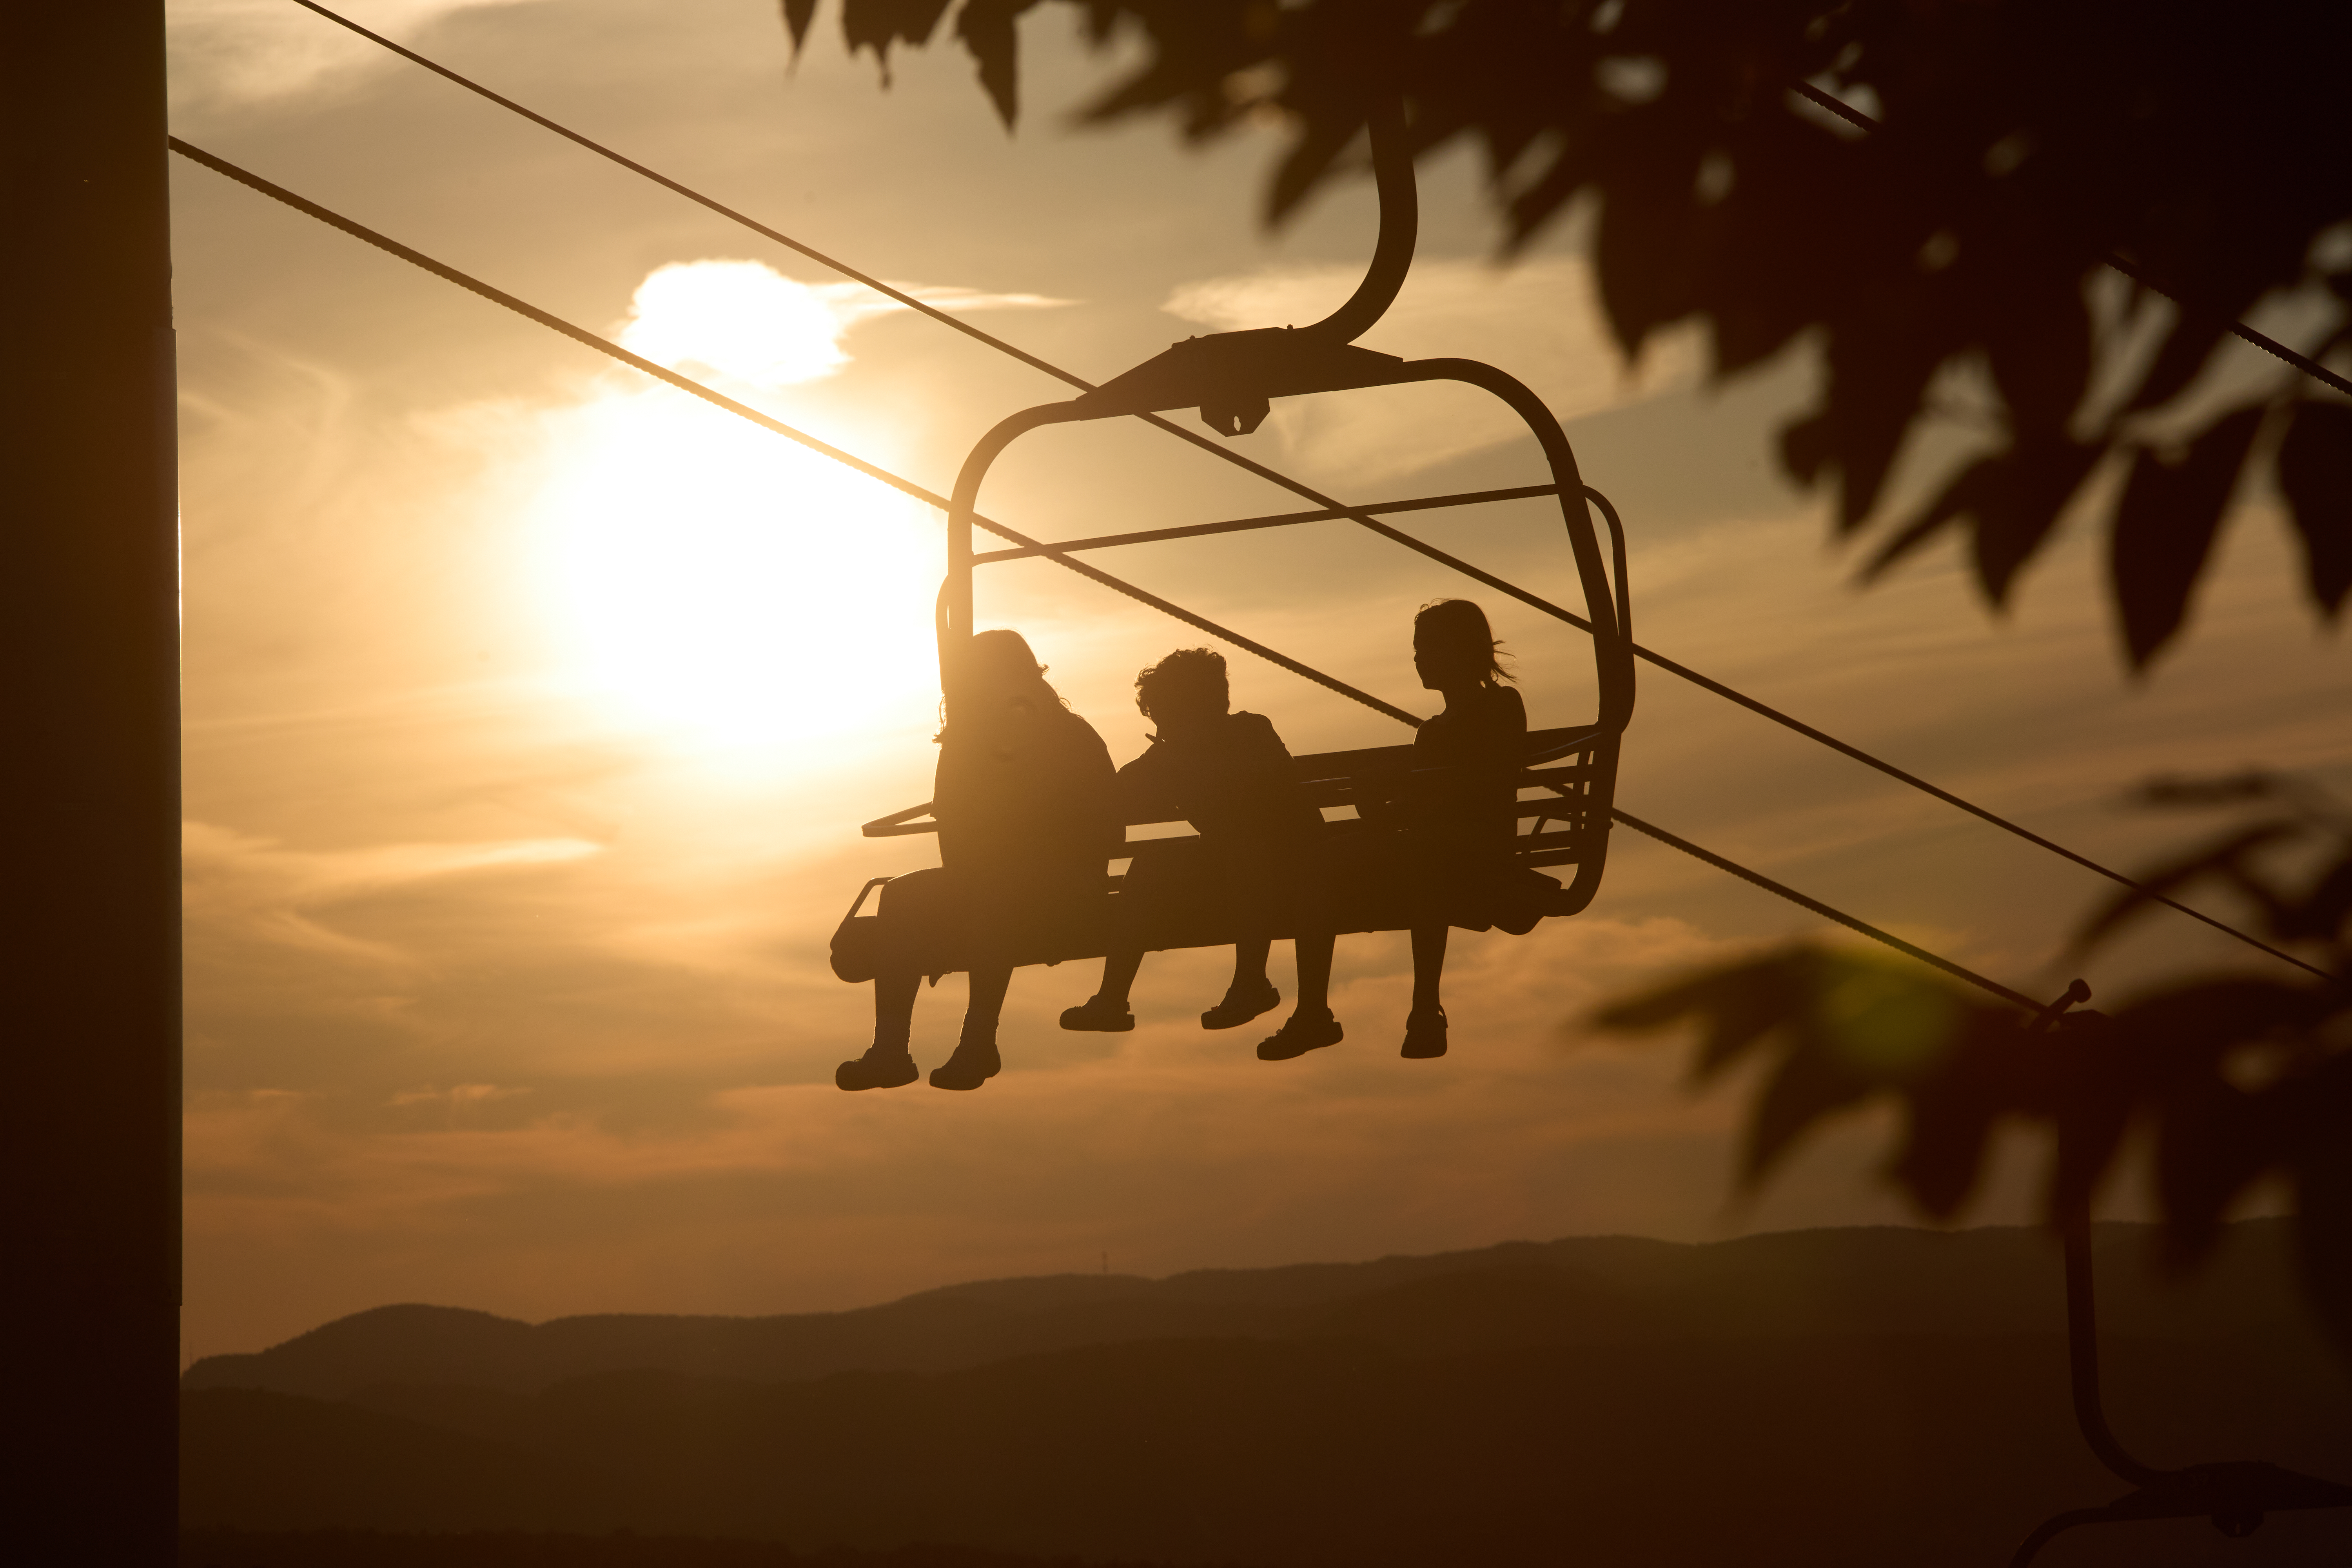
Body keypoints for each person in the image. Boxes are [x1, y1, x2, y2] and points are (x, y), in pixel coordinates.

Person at [835, 630, 1118, 1092]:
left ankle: (979, 1040)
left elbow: (1101, 826)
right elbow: (955, 828)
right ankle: (890, 1048)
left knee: (995, 893)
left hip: (1065, 882)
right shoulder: (967, 743)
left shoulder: (1068, 736)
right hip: (995, 878)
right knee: (902, 894)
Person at [1057, 648, 1342, 1061]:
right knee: (1150, 867)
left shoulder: (1250, 730)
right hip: (1231, 865)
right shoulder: (1173, 755)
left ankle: (1252, 983)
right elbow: (1119, 795)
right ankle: (1112, 999)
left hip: (1293, 862)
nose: (1161, 724)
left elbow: (1263, 803)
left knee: (1248, 853)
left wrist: (1179, 760)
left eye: (1168, 713)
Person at [1394, 598, 1526, 1060]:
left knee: (1428, 855)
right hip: (1437, 847)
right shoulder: (1430, 732)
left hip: (1475, 849)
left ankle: (1425, 1006)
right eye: (1416, 648)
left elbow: (1489, 782)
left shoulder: (1500, 706)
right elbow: (1417, 808)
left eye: (1428, 646)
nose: (1418, 658)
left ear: (1462, 649)